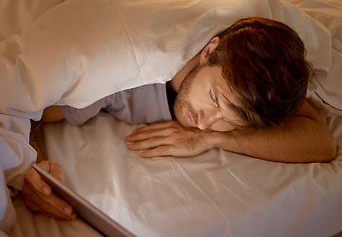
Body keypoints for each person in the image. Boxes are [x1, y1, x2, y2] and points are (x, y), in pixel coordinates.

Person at [23, 17, 337, 221]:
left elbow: (321, 141)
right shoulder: (126, 71)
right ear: (210, 49)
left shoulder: (251, 87)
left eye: (228, 119)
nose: (203, 121)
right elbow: (28, 106)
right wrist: (28, 165)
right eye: (214, 99)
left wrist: (214, 138)